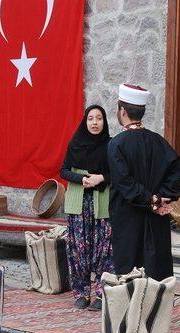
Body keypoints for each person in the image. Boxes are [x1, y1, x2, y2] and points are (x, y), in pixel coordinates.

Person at [107, 84, 180, 281]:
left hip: (127, 218)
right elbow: (175, 173)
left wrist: (153, 200)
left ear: (122, 110)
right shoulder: (160, 142)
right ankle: (155, 310)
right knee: (156, 270)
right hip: (156, 218)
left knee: (128, 274)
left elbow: (125, 185)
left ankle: (131, 311)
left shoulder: (116, 144)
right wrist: (161, 199)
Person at [60, 105, 114, 310]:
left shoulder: (111, 145)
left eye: (99, 118)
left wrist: (101, 178)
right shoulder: (75, 143)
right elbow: (63, 171)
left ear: (104, 121)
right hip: (79, 204)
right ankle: (81, 292)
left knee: (104, 250)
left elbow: (117, 174)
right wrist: (81, 178)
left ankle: (101, 294)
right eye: (90, 118)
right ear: (85, 121)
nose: (94, 122)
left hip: (102, 203)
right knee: (79, 250)